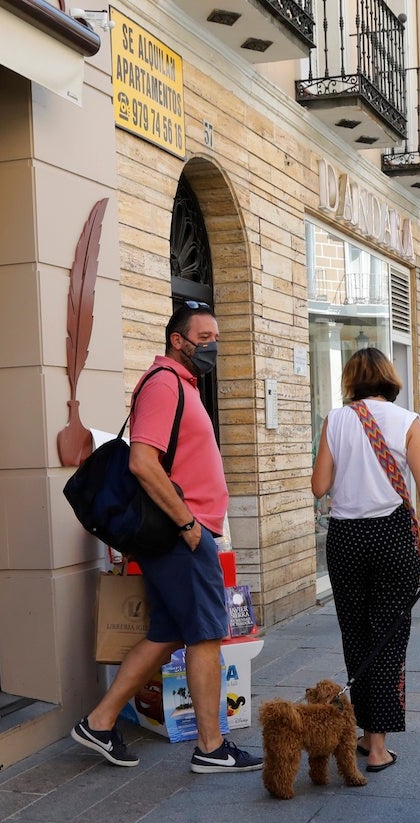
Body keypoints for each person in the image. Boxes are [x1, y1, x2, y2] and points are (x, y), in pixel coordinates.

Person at [70, 301, 263, 774]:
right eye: (204, 338)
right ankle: (212, 748)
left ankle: (99, 721)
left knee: (166, 633)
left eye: (215, 337)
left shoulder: (183, 386)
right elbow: (142, 461)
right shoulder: (164, 385)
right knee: (206, 635)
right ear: (177, 340)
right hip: (183, 535)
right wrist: (188, 524)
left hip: (183, 534)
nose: (212, 346)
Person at [310, 348, 420, 774]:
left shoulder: (335, 419)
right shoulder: (405, 420)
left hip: (346, 538)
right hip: (391, 536)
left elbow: (319, 486)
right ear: (389, 377)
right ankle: (376, 747)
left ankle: (362, 730)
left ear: (351, 379)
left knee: (355, 636)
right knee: (389, 637)